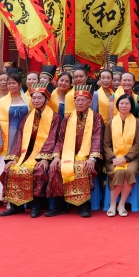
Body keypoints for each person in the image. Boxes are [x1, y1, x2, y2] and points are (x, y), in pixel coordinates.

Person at [0, 83, 61, 218]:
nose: (36, 101)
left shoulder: (54, 117)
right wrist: (14, 158)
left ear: (47, 99)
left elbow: (53, 139)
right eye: (34, 98)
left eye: (39, 98)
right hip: (26, 155)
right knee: (11, 168)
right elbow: (19, 139)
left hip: (43, 155)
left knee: (38, 170)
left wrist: (45, 158)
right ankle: (16, 206)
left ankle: (36, 206)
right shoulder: (28, 117)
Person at [46, 85, 104, 218]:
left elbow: (97, 139)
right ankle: (60, 206)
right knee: (56, 168)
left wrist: (92, 158)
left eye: (83, 100)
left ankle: (83, 206)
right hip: (68, 155)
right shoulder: (67, 119)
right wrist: (56, 157)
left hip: (88, 156)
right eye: (77, 100)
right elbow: (60, 140)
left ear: (90, 102)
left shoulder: (96, 118)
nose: (80, 103)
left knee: (82, 167)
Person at [0, 72, 29, 204]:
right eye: (9, 83)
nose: (11, 86)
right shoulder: (2, 101)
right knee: (6, 165)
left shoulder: (27, 100)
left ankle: (21, 195)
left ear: (20, 85)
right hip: (8, 136)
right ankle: (6, 196)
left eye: (14, 83)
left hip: (24, 136)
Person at [103, 94, 139, 217]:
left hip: (132, 158)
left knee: (129, 171)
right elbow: (106, 144)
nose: (124, 106)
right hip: (114, 158)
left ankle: (121, 204)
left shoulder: (137, 123)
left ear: (132, 106)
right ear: (117, 105)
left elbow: (137, 144)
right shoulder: (111, 123)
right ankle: (112, 204)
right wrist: (113, 158)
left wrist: (126, 158)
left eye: (127, 103)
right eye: (121, 103)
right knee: (119, 171)